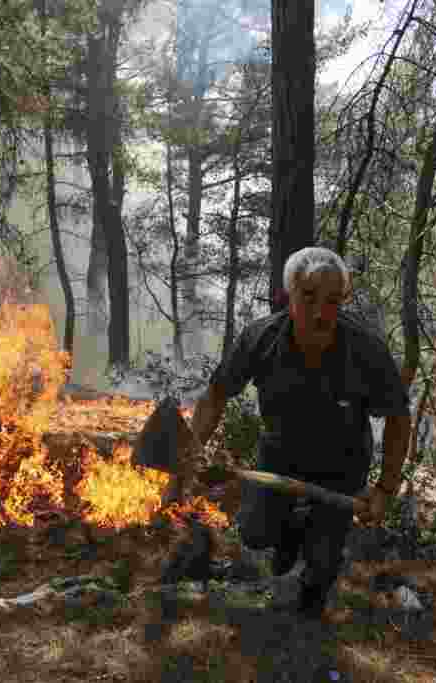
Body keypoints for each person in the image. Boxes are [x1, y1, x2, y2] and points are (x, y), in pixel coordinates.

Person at [176, 246, 412, 620]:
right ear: (289, 294)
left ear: (344, 300)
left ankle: (316, 570)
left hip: (342, 466)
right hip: (280, 455)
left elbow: (399, 420)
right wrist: (190, 450)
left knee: (318, 571)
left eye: (332, 301)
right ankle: (290, 531)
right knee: (255, 533)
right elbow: (216, 394)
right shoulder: (261, 338)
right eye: (308, 297)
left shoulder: (365, 350)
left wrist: (384, 489)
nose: (321, 312)